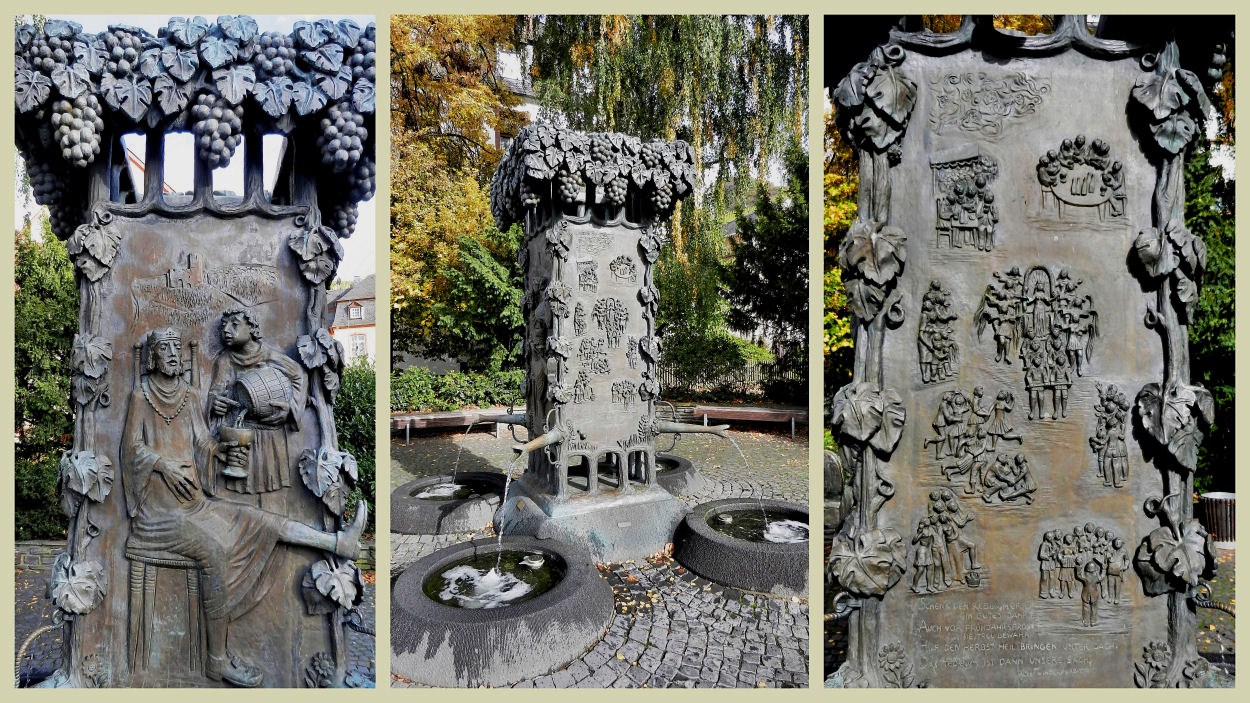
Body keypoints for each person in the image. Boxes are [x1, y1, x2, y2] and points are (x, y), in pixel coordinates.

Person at [122, 328, 366, 687]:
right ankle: (216, 661)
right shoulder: (141, 396)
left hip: (194, 505)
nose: (173, 354)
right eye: (165, 349)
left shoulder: (189, 396)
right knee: (214, 552)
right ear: (153, 357)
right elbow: (131, 450)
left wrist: (219, 451)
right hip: (159, 515)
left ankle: (337, 543)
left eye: (176, 347)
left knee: (260, 520)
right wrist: (163, 465)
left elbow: (202, 442)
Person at [208, 308, 308, 496]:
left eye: (235, 325)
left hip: (270, 437)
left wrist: (291, 410)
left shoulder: (269, 356)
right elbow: (215, 392)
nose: (227, 330)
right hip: (241, 438)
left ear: (252, 328)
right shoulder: (225, 361)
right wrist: (215, 403)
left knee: (273, 491)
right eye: (224, 326)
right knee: (239, 493)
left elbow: (299, 375)